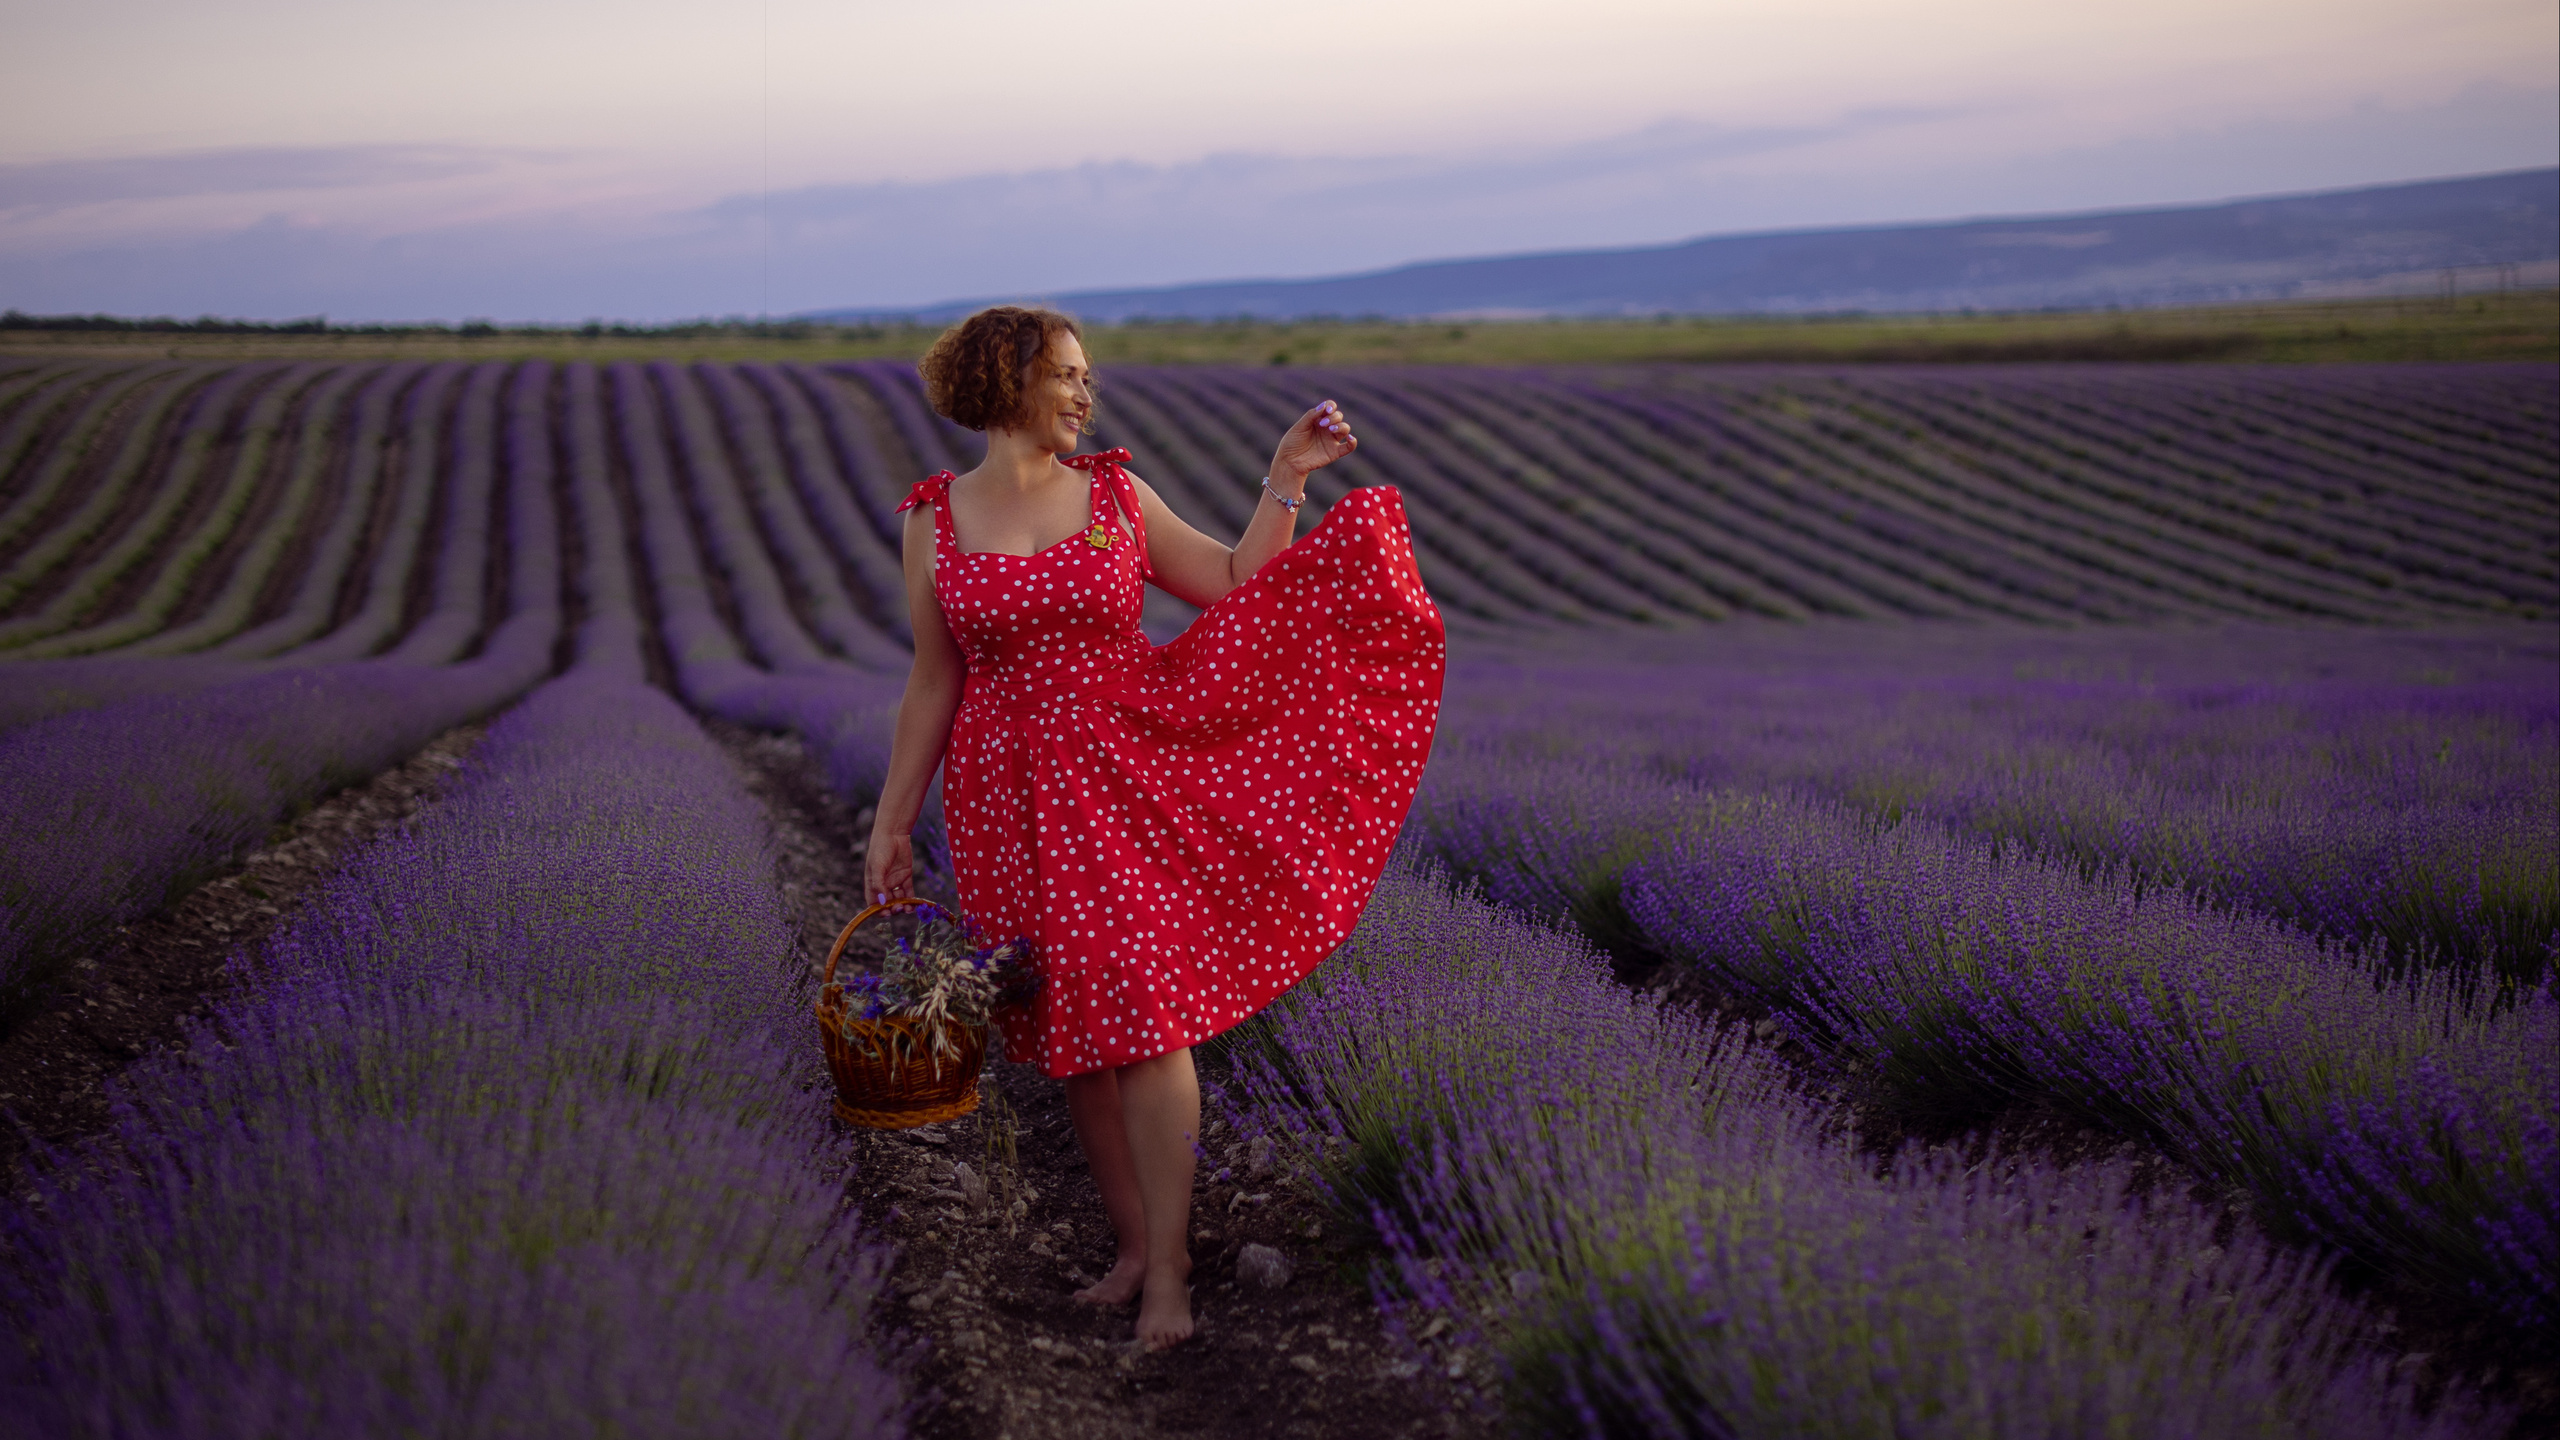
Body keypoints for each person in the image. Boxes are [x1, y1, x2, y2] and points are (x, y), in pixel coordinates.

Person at [862, 305, 1443, 1349]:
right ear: (1006, 382)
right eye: (1066, 375)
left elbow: (1233, 582)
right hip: (1002, 796)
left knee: (1144, 1010)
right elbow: (933, 679)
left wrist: (1286, 477)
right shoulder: (933, 519)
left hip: (1125, 775)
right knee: (1071, 1029)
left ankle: (1171, 1272)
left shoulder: (1116, 495)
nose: (1085, 393)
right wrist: (890, 822)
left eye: (1087, 376)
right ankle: (1130, 1251)